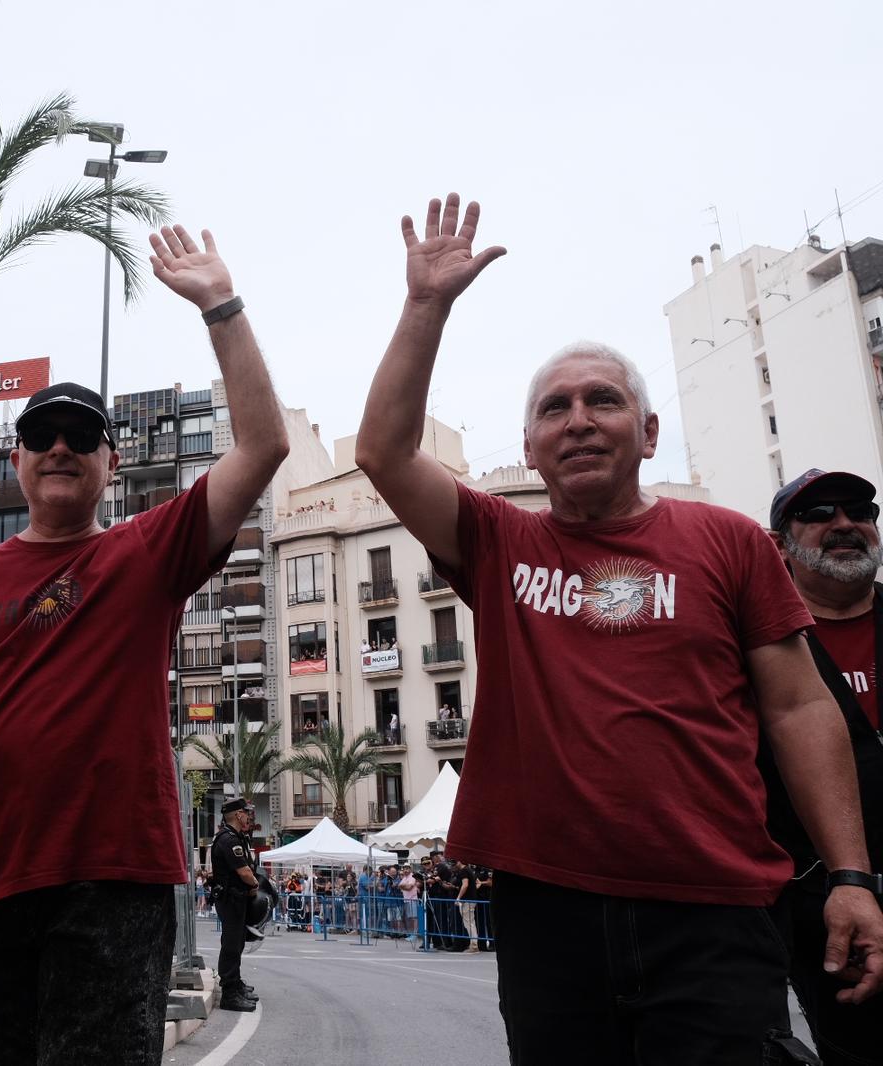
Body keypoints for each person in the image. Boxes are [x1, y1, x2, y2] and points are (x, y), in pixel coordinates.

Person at [354, 192, 883, 1063]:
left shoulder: (727, 541)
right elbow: (383, 450)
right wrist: (426, 307)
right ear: (529, 447)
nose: (578, 419)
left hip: (715, 909)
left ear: (648, 431)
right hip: (548, 911)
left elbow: (799, 709)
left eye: (602, 400)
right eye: (554, 408)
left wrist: (852, 876)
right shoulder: (497, 540)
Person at [0, 223, 290, 1064]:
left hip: (111, 883)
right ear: (16, 459)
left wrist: (220, 306)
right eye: (44, 434)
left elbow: (263, 446)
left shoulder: (147, 552)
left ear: (111, 464)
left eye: (82, 436)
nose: (61, 446)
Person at [764, 469, 883, 1065]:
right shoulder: (757, 648)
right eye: (818, 515)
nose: (844, 524)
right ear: (781, 544)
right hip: (826, 908)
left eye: (860, 510)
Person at [210, 798, 264, 1010]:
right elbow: (244, 871)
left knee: (237, 942)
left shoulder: (236, 837)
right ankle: (229, 994)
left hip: (236, 898)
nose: (248, 816)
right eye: (245, 812)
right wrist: (254, 885)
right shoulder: (228, 839)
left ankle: (235, 983)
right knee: (231, 945)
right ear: (237, 815)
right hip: (230, 898)